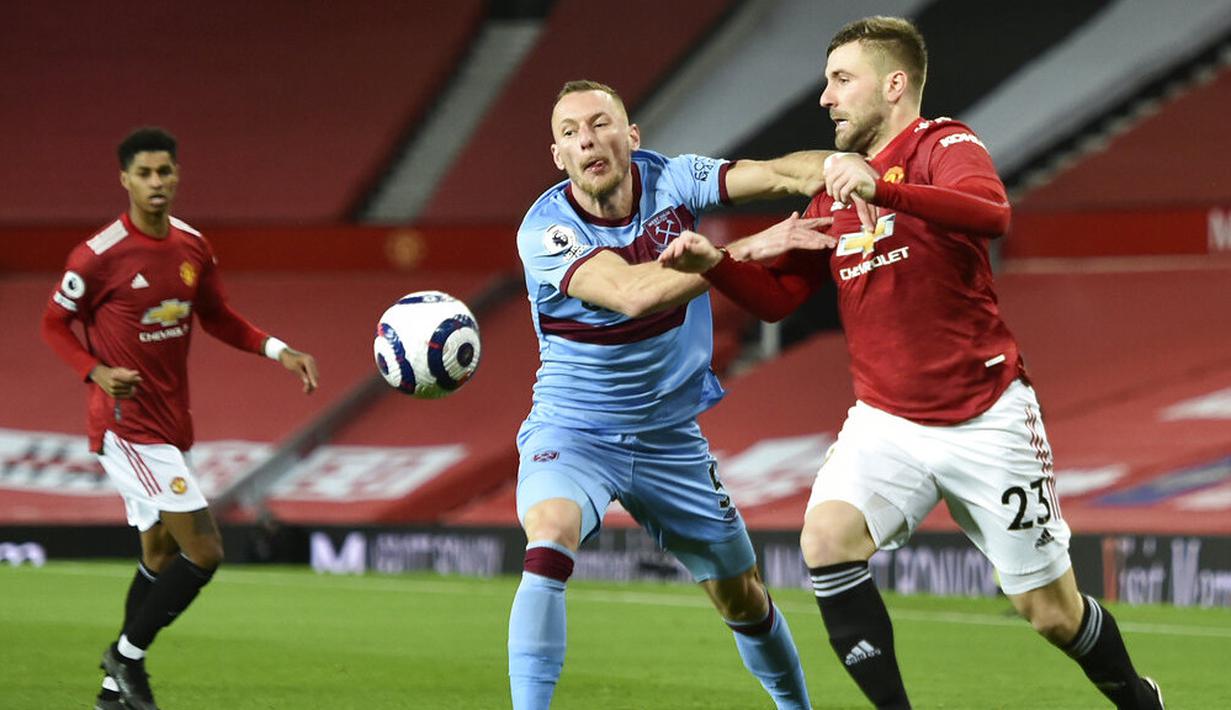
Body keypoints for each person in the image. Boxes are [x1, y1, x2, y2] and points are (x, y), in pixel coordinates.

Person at [658, 16, 1164, 710]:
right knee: (826, 538)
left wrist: (880, 189)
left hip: (984, 415)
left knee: (1050, 613)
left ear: (893, 85)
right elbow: (778, 301)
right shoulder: (832, 191)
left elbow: (991, 214)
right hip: (886, 421)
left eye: (841, 80)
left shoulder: (943, 143)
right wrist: (715, 264)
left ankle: (1138, 700)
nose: (825, 99)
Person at [510, 79, 839, 710]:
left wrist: (831, 167)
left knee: (742, 596)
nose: (587, 140)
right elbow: (632, 293)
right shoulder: (545, 230)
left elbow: (774, 173)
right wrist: (741, 251)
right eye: (571, 132)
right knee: (550, 533)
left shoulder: (675, 179)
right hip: (575, 432)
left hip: (669, 437)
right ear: (558, 157)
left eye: (601, 123)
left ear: (630, 136)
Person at [41, 127, 319, 710]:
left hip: (171, 421)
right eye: (144, 173)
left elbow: (217, 316)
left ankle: (113, 690)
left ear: (178, 174)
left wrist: (279, 351)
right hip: (127, 424)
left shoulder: (192, 246)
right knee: (205, 550)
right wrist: (94, 371)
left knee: (160, 555)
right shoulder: (97, 256)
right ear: (124, 179)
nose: (157, 182)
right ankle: (126, 658)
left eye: (165, 171)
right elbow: (53, 324)